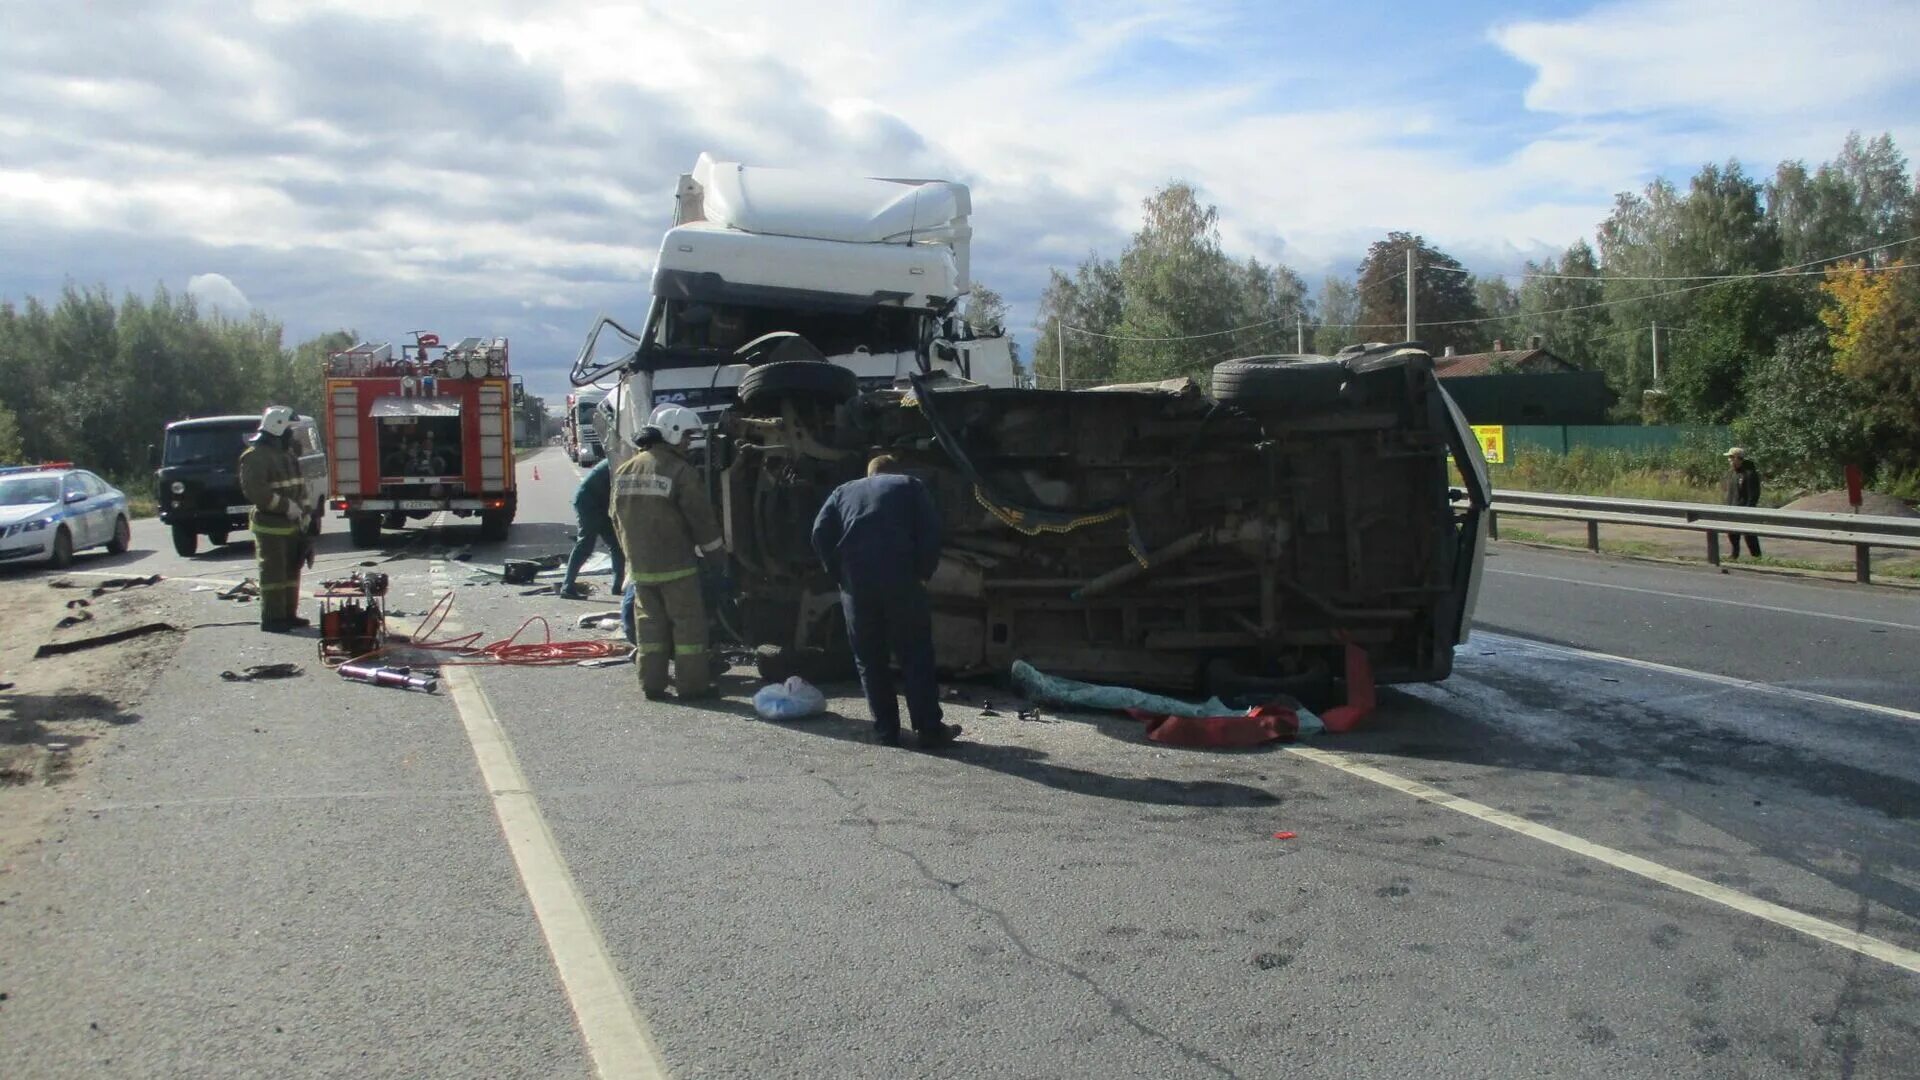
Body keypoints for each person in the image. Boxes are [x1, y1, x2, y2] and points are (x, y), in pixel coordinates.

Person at [810, 455, 962, 749]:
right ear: (893, 471)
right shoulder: (909, 485)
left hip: (857, 586)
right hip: (902, 580)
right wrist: (923, 572)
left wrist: (838, 573)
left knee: (869, 659)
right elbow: (931, 531)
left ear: (869, 474)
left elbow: (819, 532)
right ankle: (929, 731)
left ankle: (886, 733)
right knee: (915, 654)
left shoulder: (843, 491)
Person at [611, 404, 724, 700]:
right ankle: (692, 686)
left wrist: (630, 555)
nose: (688, 443)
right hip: (677, 567)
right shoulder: (680, 471)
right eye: (686, 436)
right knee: (688, 628)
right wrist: (718, 561)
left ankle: (652, 684)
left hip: (640, 568)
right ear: (672, 434)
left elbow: (616, 518)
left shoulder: (625, 469)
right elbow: (701, 521)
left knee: (649, 627)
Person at [238, 405, 311, 633]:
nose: (293, 434)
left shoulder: (286, 454)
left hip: (292, 524)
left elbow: (299, 486)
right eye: (290, 429)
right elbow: (255, 491)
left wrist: (305, 513)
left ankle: (288, 614)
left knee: (291, 571)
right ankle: (272, 618)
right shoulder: (255, 456)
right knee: (273, 574)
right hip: (271, 526)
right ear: (277, 428)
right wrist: (285, 505)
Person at [558, 457, 625, 600]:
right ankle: (567, 586)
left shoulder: (619, 460)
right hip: (589, 503)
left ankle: (618, 586)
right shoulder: (619, 462)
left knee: (616, 544)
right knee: (585, 544)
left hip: (601, 504)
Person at [1721, 446, 1763, 559]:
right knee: (1732, 534)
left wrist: (1748, 510)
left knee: (1749, 535)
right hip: (1732, 509)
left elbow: (1753, 495)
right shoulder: (1732, 473)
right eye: (1729, 457)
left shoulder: (1749, 474)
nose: (1729, 460)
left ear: (1738, 458)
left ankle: (1757, 557)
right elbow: (1730, 492)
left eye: (1731, 457)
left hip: (1745, 510)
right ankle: (1734, 555)